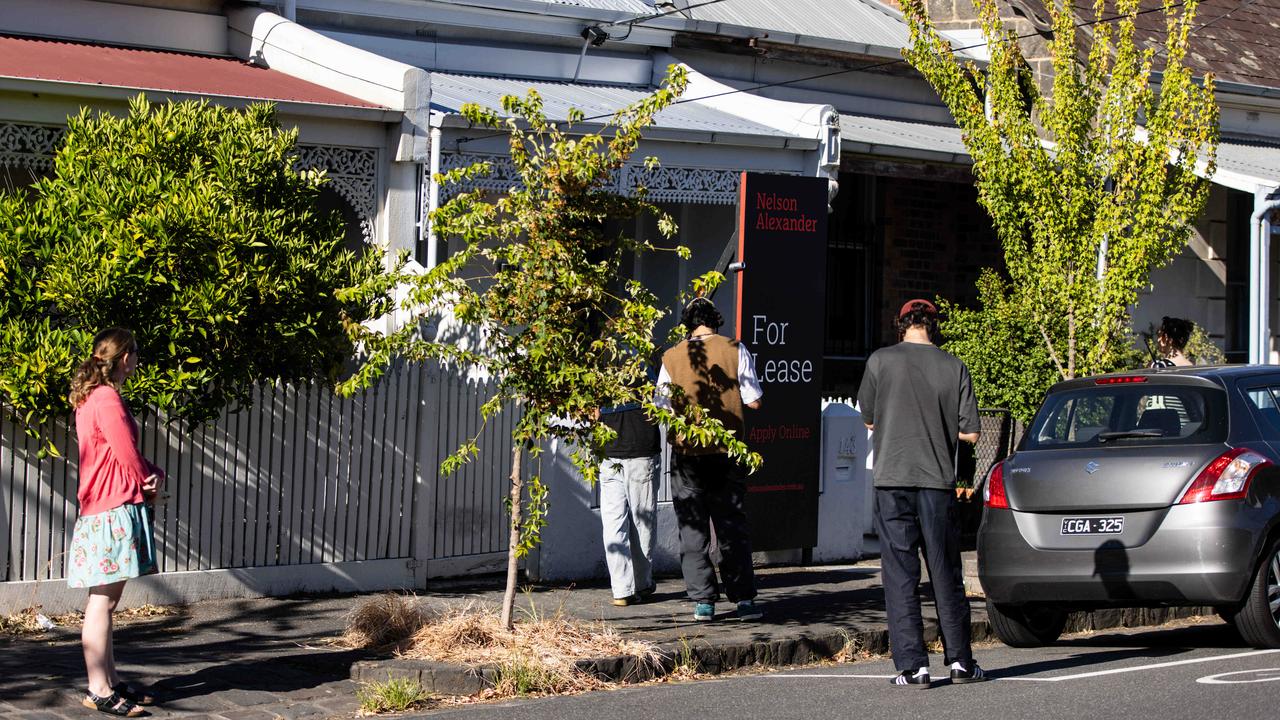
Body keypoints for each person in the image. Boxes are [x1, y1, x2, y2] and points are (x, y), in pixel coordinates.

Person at [857, 299, 986, 688]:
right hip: (936, 481)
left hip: (892, 478)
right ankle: (961, 661)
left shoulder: (880, 361)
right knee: (945, 570)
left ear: (902, 325)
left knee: (899, 573)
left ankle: (914, 667)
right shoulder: (954, 366)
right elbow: (972, 432)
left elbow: (867, 417)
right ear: (934, 325)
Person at [67, 328, 164, 717]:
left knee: (105, 600)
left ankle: (108, 680)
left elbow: (117, 453)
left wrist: (146, 474)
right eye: (136, 352)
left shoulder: (92, 397)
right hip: (112, 509)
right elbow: (126, 452)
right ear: (124, 357)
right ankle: (99, 687)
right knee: (102, 602)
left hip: (104, 507)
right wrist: (150, 477)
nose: (138, 359)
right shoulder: (106, 398)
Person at [656, 297, 764, 622]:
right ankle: (743, 599)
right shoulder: (735, 349)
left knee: (692, 527)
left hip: (687, 453)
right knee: (731, 524)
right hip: (727, 451)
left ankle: (703, 602)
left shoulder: (671, 356)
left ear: (687, 324)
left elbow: (661, 405)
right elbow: (754, 401)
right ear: (716, 320)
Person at [595, 399, 661, 607]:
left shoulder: (598, 366)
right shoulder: (651, 365)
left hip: (607, 448)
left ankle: (621, 589)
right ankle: (641, 584)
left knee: (613, 522)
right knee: (643, 521)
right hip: (640, 445)